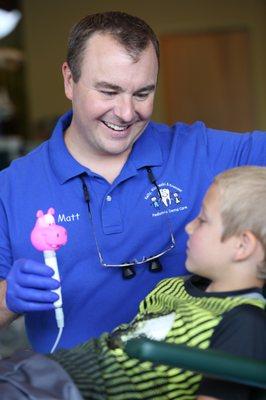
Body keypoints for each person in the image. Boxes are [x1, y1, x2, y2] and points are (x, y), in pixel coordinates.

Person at [0, 11, 266, 354]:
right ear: (69, 80)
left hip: (188, 380)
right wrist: (8, 298)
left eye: (142, 93)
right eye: (109, 91)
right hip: (71, 384)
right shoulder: (11, 188)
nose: (126, 113)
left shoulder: (195, 149)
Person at [0, 166, 265, 400]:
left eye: (202, 220)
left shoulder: (246, 322)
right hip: (47, 370)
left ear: (242, 245)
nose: (188, 227)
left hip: (71, 390)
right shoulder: (173, 287)